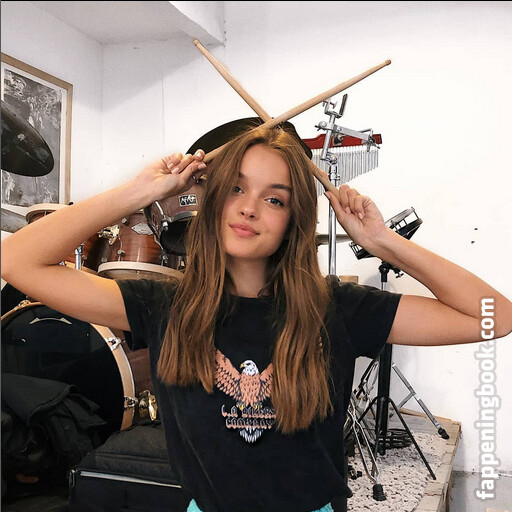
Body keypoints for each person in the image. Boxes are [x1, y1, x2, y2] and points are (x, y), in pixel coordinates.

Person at [1, 122, 511, 512]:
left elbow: (493, 316)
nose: (249, 209)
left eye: (274, 199)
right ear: (214, 200)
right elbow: (17, 261)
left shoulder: (336, 308)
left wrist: (382, 241)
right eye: (236, 189)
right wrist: (140, 192)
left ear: (293, 220)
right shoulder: (164, 306)